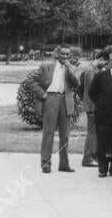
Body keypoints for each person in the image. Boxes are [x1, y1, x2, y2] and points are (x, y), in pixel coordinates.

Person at [29, 44, 80, 173]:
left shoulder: (71, 67)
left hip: (65, 100)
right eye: (62, 53)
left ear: (70, 56)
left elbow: (76, 84)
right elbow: (31, 80)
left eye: (67, 54)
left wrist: (70, 68)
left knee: (65, 135)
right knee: (48, 133)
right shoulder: (46, 66)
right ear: (57, 54)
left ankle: (64, 164)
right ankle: (45, 164)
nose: (64, 56)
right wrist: (43, 94)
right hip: (50, 99)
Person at [78, 49, 108, 167]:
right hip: (93, 107)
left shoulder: (94, 70)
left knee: (95, 133)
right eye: (106, 63)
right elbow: (95, 90)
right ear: (101, 60)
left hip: (93, 106)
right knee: (92, 133)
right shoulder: (91, 71)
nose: (106, 66)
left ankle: (93, 156)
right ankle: (88, 158)